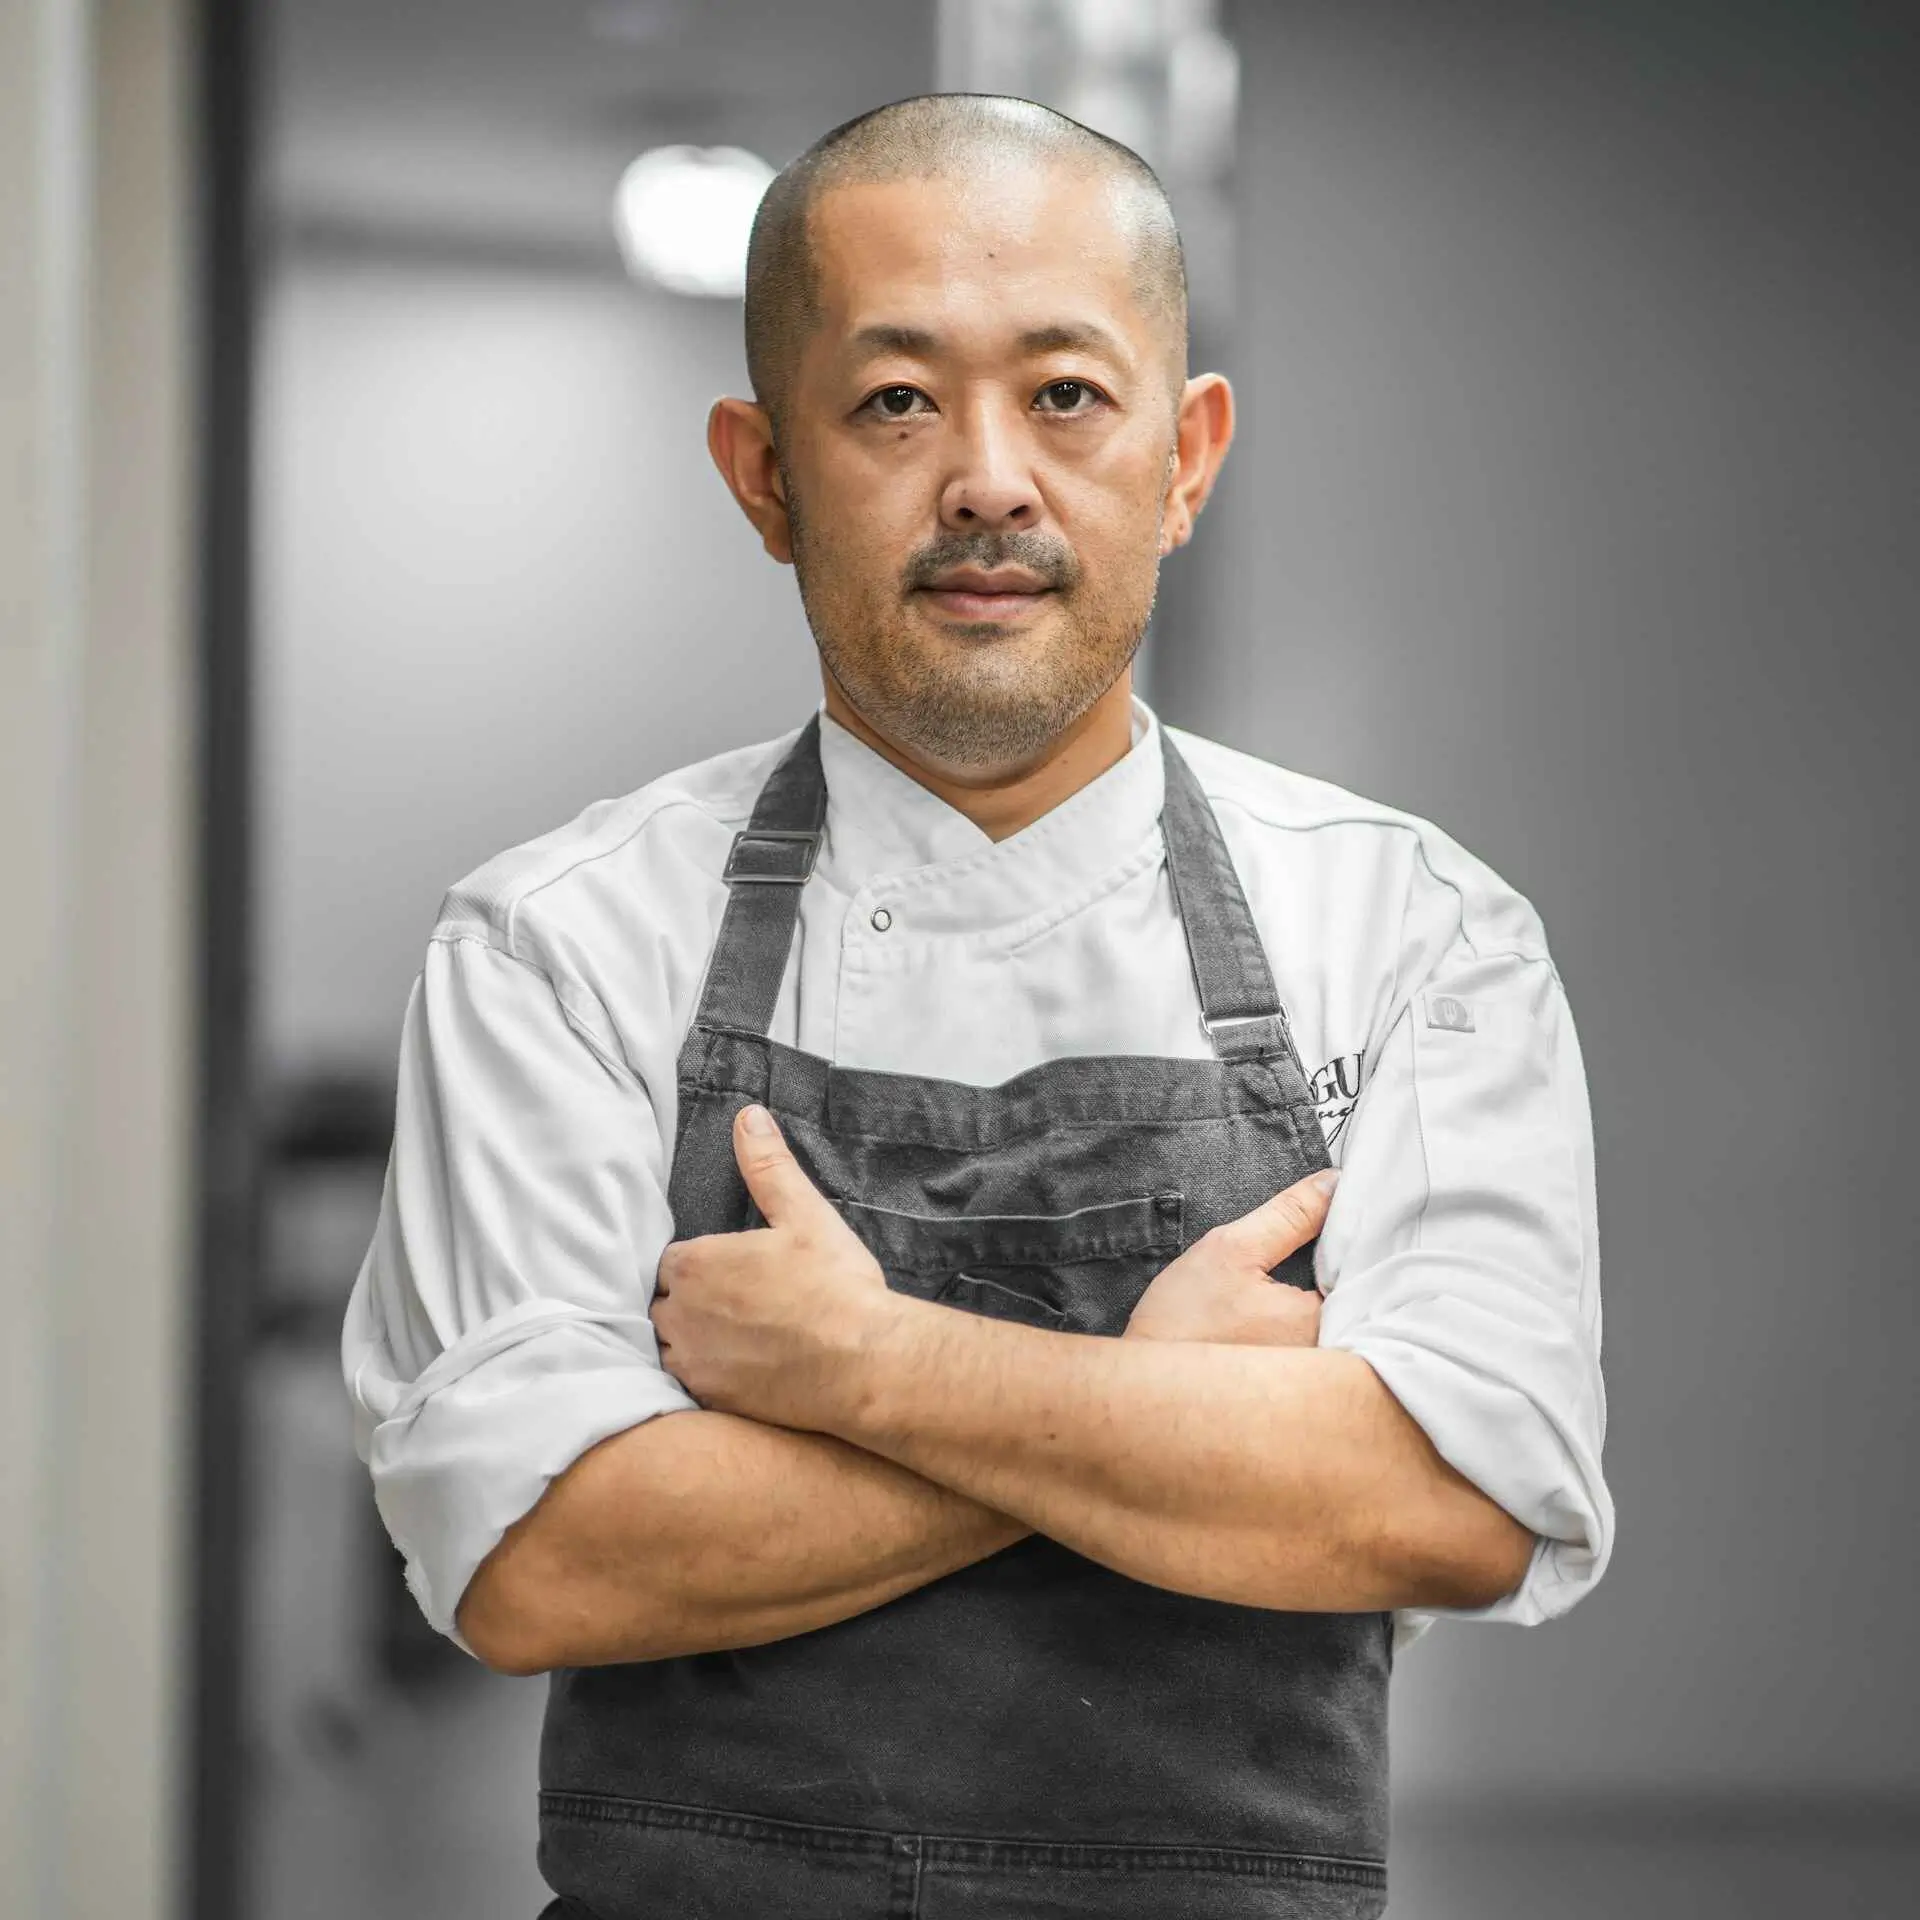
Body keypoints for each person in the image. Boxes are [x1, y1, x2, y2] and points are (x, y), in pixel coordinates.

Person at [342, 92, 1612, 1920]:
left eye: (1068, 396)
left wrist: (872, 1370)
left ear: (1186, 459)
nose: (991, 481)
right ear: (764, 474)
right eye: (894, 400)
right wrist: (1167, 1414)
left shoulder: (1416, 934)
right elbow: (544, 1556)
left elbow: (1451, 1505)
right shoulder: (557, 945)